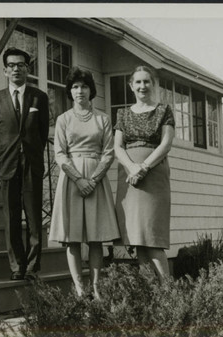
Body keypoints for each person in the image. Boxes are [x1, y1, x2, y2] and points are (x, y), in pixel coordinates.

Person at [49, 67, 120, 299]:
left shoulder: (103, 119)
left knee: (96, 237)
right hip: (71, 181)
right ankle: (80, 290)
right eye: (75, 87)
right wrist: (78, 179)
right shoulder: (63, 119)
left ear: (91, 90)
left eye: (84, 86)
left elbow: (108, 153)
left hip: (95, 179)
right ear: (70, 91)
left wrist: (93, 179)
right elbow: (60, 153)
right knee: (73, 238)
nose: (80, 91)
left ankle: (97, 288)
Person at [0, 47, 49, 281]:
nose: (16, 69)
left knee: (33, 216)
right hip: (8, 164)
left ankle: (32, 266)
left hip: (32, 163)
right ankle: (16, 267)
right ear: (5, 70)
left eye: (20, 65)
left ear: (27, 69)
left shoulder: (39, 97)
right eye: (11, 65)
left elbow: (42, 133)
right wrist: (6, 156)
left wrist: (30, 153)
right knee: (11, 217)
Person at [113, 66, 175, 282]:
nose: (142, 86)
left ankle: (168, 293)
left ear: (153, 84)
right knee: (137, 238)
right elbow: (117, 147)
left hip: (154, 177)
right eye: (138, 82)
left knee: (153, 237)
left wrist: (144, 167)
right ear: (131, 86)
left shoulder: (163, 110)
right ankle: (150, 291)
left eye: (146, 82)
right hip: (130, 180)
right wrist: (132, 167)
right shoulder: (123, 113)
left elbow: (166, 144)